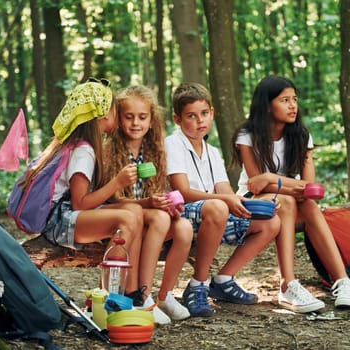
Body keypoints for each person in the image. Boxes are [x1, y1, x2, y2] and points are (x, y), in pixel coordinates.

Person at [231, 75, 350, 313]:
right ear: (267, 105)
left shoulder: (301, 135)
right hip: (253, 205)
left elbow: (309, 187)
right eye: (284, 100)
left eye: (294, 99)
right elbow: (257, 185)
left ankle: (342, 281)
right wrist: (283, 185)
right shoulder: (247, 135)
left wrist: (270, 177)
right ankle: (287, 285)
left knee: (308, 205)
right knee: (289, 200)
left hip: (289, 203)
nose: (292, 105)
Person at [164, 82, 281, 317]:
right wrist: (224, 201)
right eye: (191, 116)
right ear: (178, 119)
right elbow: (183, 192)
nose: (200, 121)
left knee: (271, 221)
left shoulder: (213, 152)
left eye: (204, 114)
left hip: (212, 214)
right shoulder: (172, 144)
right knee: (217, 207)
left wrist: (250, 203)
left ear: (212, 113)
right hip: (180, 214)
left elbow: (225, 191)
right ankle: (198, 285)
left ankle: (224, 280)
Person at [26, 78, 144, 297]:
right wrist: (117, 183)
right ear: (104, 113)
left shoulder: (81, 145)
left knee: (135, 212)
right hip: (59, 221)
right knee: (126, 219)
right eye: (115, 109)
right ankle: (109, 296)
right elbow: (80, 203)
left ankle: (131, 291)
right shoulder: (84, 151)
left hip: (66, 215)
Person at [104, 85, 192, 324]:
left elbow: (158, 190)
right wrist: (149, 203)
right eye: (129, 117)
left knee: (184, 227)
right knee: (161, 218)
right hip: (124, 218)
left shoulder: (155, 150)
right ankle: (142, 295)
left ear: (152, 120)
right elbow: (114, 199)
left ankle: (163, 295)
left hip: (149, 217)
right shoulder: (110, 149)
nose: (135, 123)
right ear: (119, 119)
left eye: (142, 117)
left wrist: (168, 202)